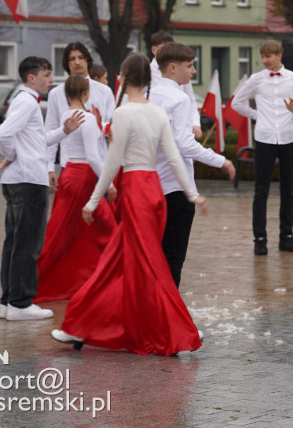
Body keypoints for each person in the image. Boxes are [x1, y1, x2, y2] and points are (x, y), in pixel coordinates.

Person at [51, 53, 208, 356]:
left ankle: (172, 326)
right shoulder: (157, 113)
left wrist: (94, 200)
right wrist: (192, 193)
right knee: (132, 264)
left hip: (135, 191)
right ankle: (84, 327)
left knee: (135, 264)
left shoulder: (122, 113)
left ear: (122, 78)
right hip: (153, 192)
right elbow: (175, 157)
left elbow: (113, 161)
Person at [0, 57, 84, 321]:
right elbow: (3, 135)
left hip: (18, 179)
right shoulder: (26, 101)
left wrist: (62, 132)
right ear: (31, 78)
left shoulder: (25, 101)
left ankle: (9, 302)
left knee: (14, 242)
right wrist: (12, 155)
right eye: (47, 74)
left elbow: (34, 141)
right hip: (28, 180)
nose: (51, 79)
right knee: (28, 243)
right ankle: (21, 304)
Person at [151, 42, 235, 285]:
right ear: (173, 67)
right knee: (173, 256)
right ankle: (168, 312)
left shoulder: (150, 94)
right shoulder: (178, 98)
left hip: (151, 183)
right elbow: (184, 144)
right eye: (190, 66)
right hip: (175, 186)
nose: (194, 71)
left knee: (155, 254)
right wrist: (221, 160)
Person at [34, 75, 118, 303]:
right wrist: (109, 184)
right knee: (106, 229)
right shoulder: (87, 119)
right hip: (83, 178)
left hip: (70, 173)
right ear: (86, 93)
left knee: (65, 230)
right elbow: (93, 155)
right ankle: (105, 277)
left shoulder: (66, 115)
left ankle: (84, 278)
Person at [233, 40, 293, 255]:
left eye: (268, 56)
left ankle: (286, 237)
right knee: (261, 190)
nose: (265, 60)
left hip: (288, 138)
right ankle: (260, 239)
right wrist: (258, 116)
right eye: (262, 57)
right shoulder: (256, 79)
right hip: (265, 138)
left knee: (288, 190)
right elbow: (237, 102)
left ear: (279, 55)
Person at [46, 41, 116, 190]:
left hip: (100, 165)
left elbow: (113, 130)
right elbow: (50, 131)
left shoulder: (104, 91)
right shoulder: (56, 94)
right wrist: (50, 167)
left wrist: (98, 125)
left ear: (88, 60)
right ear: (66, 63)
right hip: (70, 165)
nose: (77, 62)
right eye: (72, 59)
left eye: (81, 57)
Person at [149, 31, 201, 138]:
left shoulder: (182, 72)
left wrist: (196, 123)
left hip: (180, 127)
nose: (167, 52)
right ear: (154, 50)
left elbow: (191, 100)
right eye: (163, 48)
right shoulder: (146, 72)